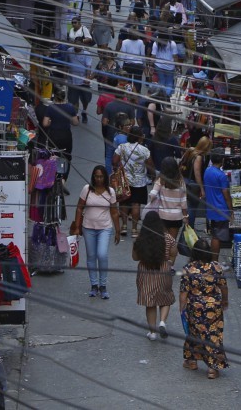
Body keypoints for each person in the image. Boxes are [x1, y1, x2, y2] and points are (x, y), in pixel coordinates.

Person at [180, 242, 229, 378]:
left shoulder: (188, 269)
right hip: (213, 306)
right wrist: (225, 300)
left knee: (194, 332)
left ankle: (192, 361)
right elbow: (224, 287)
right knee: (212, 334)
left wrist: (182, 309)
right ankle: (212, 368)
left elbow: (183, 292)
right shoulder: (216, 268)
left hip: (194, 306)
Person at [72, 165, 121, 300]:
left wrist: (118, 230)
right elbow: (79, 208)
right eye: (96, 176)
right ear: (93, 177)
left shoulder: (110, 192)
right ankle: (94, 285)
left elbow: (114, 212)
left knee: (102, 254)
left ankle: (103, 285)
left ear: (105, 177)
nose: (99, 179)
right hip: (88, 227)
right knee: (91, 256)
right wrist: (77, 226)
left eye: (101, 176)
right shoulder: (87, 190)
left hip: (105, 228)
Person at [132, 211, 177, 340]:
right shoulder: (168, 238)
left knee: (150, 302)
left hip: (146, 270)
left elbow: (135, 258)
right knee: (165, 297)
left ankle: (152, 333)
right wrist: (170, 262)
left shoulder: (140, 239)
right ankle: (162, 322)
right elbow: (174, 252)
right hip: (163, 269)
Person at [114, 126, 152, 231]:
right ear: (139, 137)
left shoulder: (122, 147)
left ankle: (124, 226)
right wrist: (152, 175)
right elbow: (150, 166)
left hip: (124, 180)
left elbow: (114, 161)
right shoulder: (144, 150)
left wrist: (119, 168)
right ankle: (134, 229)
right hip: (139, 182)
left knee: (124, 202)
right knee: (136, 204)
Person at [38, 89, 80, 170]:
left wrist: (51, 122)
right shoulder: (70, 107)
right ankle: (64, 175)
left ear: (55, 97)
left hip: (54, 135)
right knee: (66, 156)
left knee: (53, 155)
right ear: (64, 97)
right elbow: (75, 123)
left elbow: (45, 123)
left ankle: (54, 173)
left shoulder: (51, 108)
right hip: (66, 135)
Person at [202, 151, 233, 260]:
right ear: (222, 160)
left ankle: (214, 261)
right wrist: (231, 211)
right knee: (217, 237)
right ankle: (215, 262)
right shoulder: (221, 176)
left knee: (215, 235)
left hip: (211, 208)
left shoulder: (207, 171)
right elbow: (226, 195)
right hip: (221, 209)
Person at [147, 158, 188, 234]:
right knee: (172, 242)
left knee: (164, 240)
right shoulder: (181, 181)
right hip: (177, 216)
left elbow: (152, 195)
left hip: (163, 215)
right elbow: (183, 202)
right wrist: (185, 216)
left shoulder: (161, 180)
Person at [180, 137, 211, 229]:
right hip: (192, 185)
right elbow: (197, 173)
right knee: (192, 208)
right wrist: (201, 189)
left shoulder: (191, 151)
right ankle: (189, 230)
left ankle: (188, 229)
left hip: (184, 182)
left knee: (188, 206)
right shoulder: (199, 157)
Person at [151, 32, 181, 99]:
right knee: (169, 82)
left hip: (158, 66)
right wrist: (178, 67)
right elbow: (175, 56)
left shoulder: (156, 43)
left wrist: (150, 65)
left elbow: (153, 56)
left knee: (162, 81)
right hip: (170, 67)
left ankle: (161, 96)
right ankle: (167, 96)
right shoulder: (172, 44)